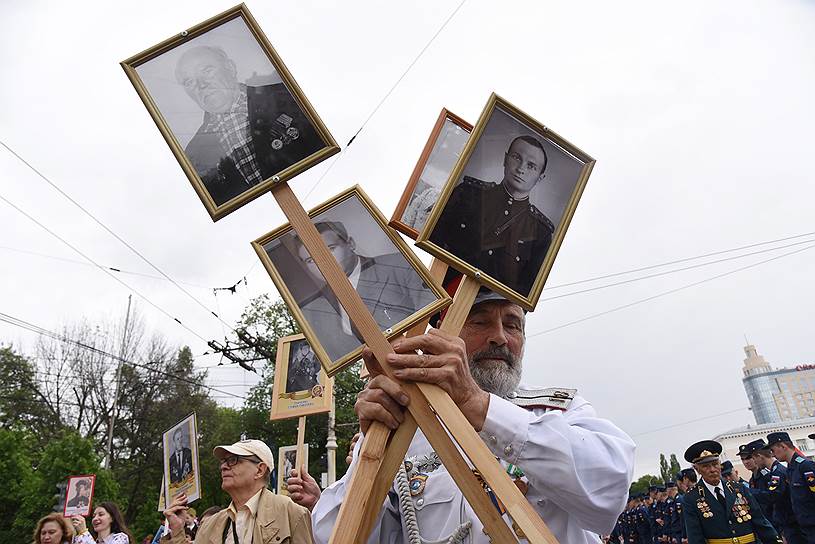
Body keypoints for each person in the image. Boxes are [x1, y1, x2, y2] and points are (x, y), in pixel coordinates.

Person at [298, 289, 635, 543]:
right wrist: (372, 449)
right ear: (443, 335)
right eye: (480, 321)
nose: (500, 337)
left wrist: (477, 404)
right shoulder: (408, 430)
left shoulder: (559, 411)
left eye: (512, 324)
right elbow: (333, 535)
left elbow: (609, 491)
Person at [174, 45, 323, 206]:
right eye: (189, 82)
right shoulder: (193, 156)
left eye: (207, 70)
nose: (201, 85)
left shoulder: (288, 97)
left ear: (230, 68)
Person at [293, 220, 437, 361]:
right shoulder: (313, 311)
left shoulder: (398, 264)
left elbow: (434, 318)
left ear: (350, 244)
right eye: (311, 260)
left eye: (330, 249)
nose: (322, 263)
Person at [429, 135, 555, 295]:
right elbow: (432, 241)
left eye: (531, 166)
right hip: (436, 291)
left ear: (540, 178)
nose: (521, 169)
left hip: (482, 314)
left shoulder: (541, 232)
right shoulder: (467, 194)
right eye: (517, 157)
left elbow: (524, 294)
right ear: (505, 159)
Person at [162, 439, 312, 544]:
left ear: (260, 470)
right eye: (223, 462)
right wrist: (177, 531)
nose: (224, 467)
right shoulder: (211, 524)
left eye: (233, 460)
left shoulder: (290, 512)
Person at [681, 440, 781, 544]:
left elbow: (760, 521)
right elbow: (695, 537)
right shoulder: (691, 498)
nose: (712, 469)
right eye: (705, 466)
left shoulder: (739, 489)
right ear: (697, 469)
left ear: (720, 464)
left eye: (715, 464)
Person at [748, 439, 804, 543]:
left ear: (760, 456)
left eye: (754, 458)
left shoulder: (777, 472)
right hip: (788, 522)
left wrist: (748, 491)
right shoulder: (775, 471)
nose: (754, 462)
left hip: (791, 523)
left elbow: (772, 495)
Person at [767, 431, 815, 540]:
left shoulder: (805, 466)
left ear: (783, 446)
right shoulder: (791, 469)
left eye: (773, 450)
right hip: (803, 527)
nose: (773, 454)